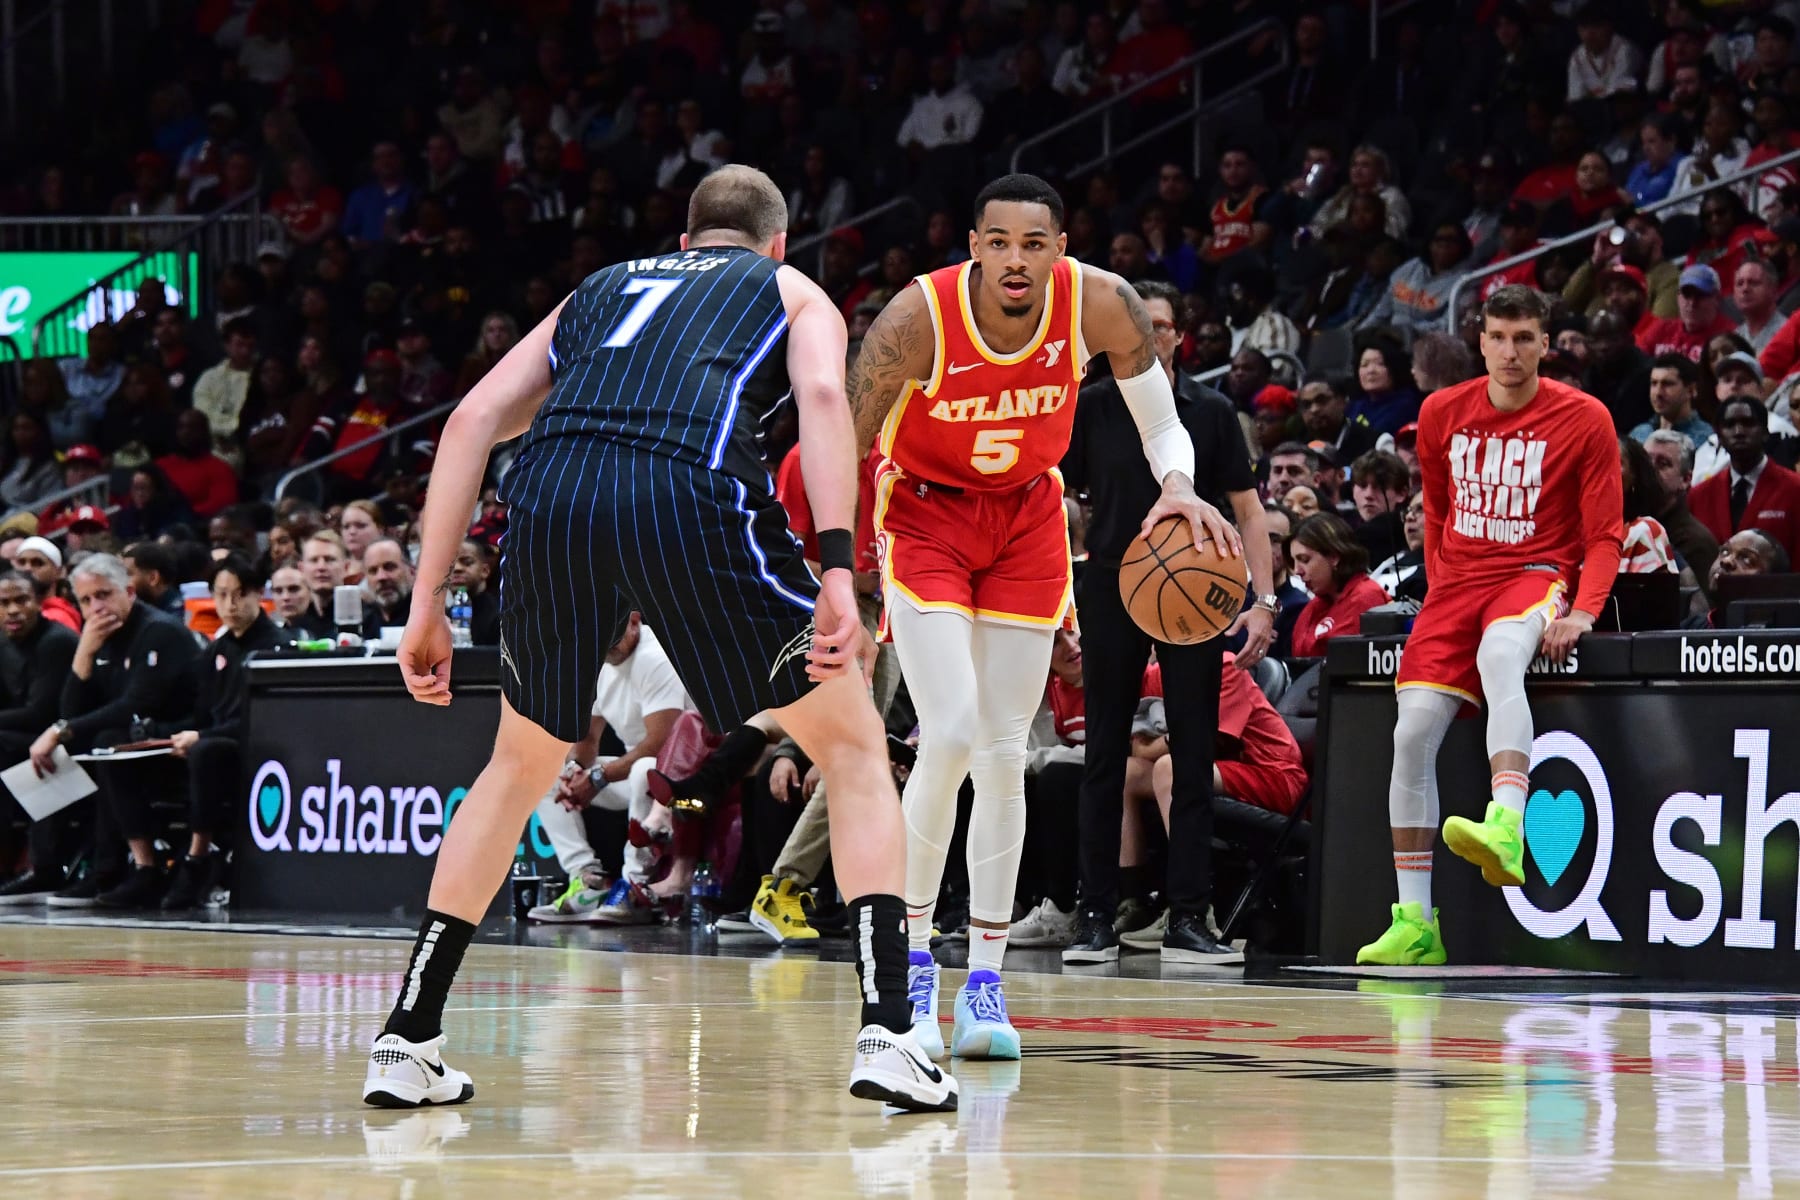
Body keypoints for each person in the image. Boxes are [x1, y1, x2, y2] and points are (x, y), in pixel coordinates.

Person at [366, 165, 957, 1114]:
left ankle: (408, 1036)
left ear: (684, 241)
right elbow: (823, 399)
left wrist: (426, 598)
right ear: (775, 242)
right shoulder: (789, 287)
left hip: (552, 497)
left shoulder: (597, 288)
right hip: (688, 489)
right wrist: (837, 569)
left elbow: (472, 419)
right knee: (852, 752)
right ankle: (889, 1030)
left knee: (514, 768)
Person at [843, 173, 1238, 1061]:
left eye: (1034, 244)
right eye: (999, 243)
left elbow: (1161, 423)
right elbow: (844, 436)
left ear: (1060, 248)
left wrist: (1179, 485)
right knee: (947, 733)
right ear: (974, 246)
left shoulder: (1102, 303)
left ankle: (985, 984)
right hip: (926, 516)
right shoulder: (917, 318)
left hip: (1028, 519)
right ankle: (912, 967)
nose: (1015, 260)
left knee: (1002, 753)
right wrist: (837, 567)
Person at [1356, 285, 1623, 967]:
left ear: (1545, 343)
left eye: (1524, 338)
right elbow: (1437, 515)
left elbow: (1604, 534)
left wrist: (1584, 611)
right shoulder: (1440, 411)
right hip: (1455, 586)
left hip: (1533, 569)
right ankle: (1416, 924)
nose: (1510, 352)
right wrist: (1441, 586)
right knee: (1410, 734)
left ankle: (1506, 822)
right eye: (1499, 338)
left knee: (1503, 653)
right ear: (1480, 342)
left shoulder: (1585, 417)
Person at [1059, 279, 1276, 966]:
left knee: (1192, 751)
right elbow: (1054, 499)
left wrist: (1265, 600)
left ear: (1178, 335)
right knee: (1102, 755)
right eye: (1135, 324)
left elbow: (1248, 510)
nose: (1147, 335)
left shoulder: (1211, 411)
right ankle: (1095, 916)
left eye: (1158, 324)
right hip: (1110, 584)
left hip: (1197, 592)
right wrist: (1058, 596)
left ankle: (1189, 916)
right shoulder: (1090, 405)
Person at [35, 554, 202, 909]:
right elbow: (72, 712)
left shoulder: (159, 631)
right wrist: (83, 654)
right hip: (131, 739)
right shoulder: (100, 636)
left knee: (106, 744)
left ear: (129, 591)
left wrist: (61, 730)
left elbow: (136, 704)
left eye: (104, 595)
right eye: (86, 600)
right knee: (45, 755)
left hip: (177, 738)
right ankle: (47, 868)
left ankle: (139, 868)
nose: (96, 607)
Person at [526, 614, 691, 924]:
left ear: (634, 621)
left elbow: (661, 743)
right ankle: (588, 880)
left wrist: (599, 777)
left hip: (685, 774)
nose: (609, 642)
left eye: (615, 632)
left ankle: (634, 886)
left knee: (645, 770)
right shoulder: (596, 661)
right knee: (546, 774)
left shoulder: (655, 656)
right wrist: (575, 771)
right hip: (638, 768)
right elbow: (588, 738)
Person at [160, 557, 293, 910]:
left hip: (258, 747)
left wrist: (200, 737)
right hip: (214, 740)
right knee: (124, 753)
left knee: (206, 751)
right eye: (221, 595)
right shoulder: (215, 651)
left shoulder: (276, 646)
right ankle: (139, 865)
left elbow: (264, 718)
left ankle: (198, 855)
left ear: (259, 594)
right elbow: (201, 714)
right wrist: (169, 735)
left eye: (239, 594)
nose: (230, 605)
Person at [0, 571, 80, 902]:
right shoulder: (4, 642)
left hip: (68, 736)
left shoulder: (56, 642)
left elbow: (41, 712)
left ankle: (44, 867)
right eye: (4, 603)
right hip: (23, 737)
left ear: (39, 603)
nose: (13, 610)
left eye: (21, 600)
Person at [1687, 395, 1800, 563]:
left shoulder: (1794, 489)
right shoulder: (1699, 496)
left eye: (1748, 423)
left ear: (1765, 432)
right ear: (1719, 436)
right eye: (1730, 425)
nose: (1738, 431)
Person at [1288, 514, 1389, 656]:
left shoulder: (1367, 597)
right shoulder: (1315, 605)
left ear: (1334, 557)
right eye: (1294, 562)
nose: (1297, 571)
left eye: (1304, 560)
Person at [1630, 353, 1715, 446]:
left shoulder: (1707, 440)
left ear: (1691, 390)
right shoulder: (1639, 434)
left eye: (1667, 384)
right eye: (1654, 383)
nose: (1658, 393)